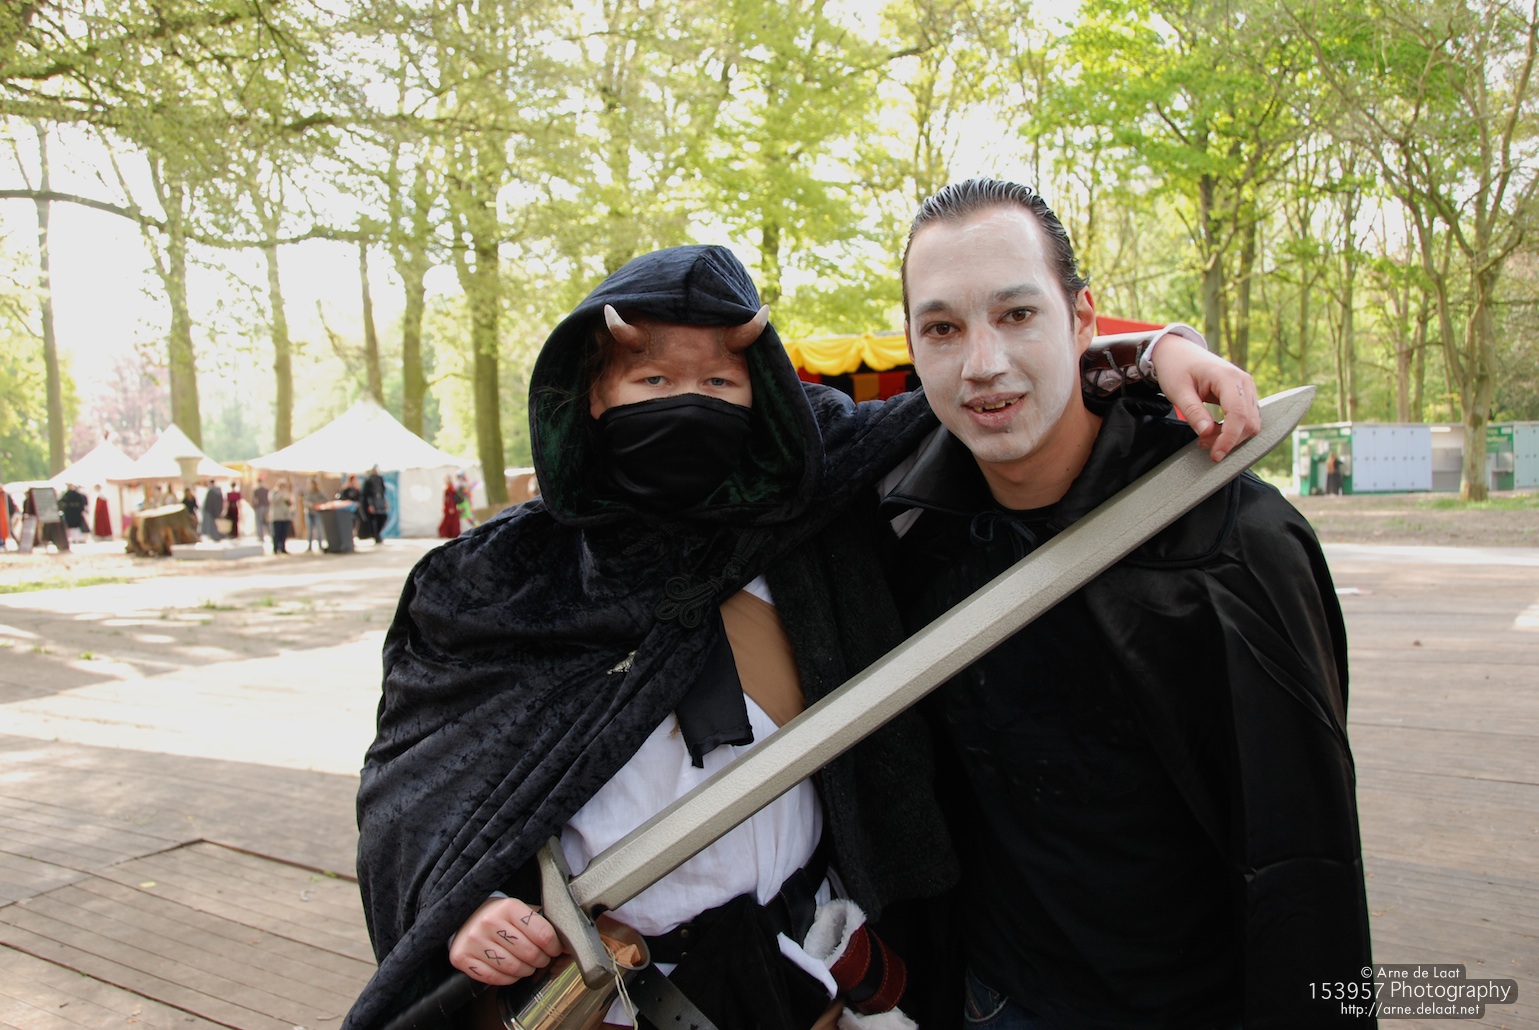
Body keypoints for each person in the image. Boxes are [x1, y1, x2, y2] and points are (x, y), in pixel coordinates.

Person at [347, 244, 1258, 1030]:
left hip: (805, 970)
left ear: (761, 396)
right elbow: (412, 794)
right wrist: (465, 905)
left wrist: (1157, 354)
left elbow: (981, 398)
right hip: (614, 989)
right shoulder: (495, 581)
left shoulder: (817, 506)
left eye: (719, 381)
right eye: (653, 380)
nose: (689, 401)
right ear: (593, 393)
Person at [883, 179, 1372, 1029]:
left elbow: (1304, 850)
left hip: (1199, 1003)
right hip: (996, 997)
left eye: (1017, 314)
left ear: (1081, 319)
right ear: (912, 345)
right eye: (942, 329)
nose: (981, 363)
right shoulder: (906, 528)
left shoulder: (1235, 540)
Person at [361, 465, 388, 544]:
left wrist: (384, 501)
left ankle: (378, 534)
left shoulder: (380, 479)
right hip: (373, 501)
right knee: (374, 520)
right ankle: (376, 536)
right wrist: (370, 504)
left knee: (383, 517)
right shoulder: (368, 480)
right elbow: (366, 494)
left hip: (380, 501)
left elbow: (382, 492)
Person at [269, 479, 295, 555]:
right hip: (277, 516)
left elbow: (290, 503)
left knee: (284, 533)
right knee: (276, 533)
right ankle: (276, 548)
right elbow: (273, 501)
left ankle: (283, 548)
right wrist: (281, 494)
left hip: (285, 516)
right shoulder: (273, 493)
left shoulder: (287, 493)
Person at [303, 477, 328, 553]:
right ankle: (309, 546)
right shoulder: (308, 493)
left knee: (319, 530)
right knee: (310, 531)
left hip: (317, 513)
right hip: (309, 513)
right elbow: (304, 501)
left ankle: (320, 545)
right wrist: (309, 504)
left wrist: (316, 504)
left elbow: (325, 499)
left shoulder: (319, 493)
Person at [437, 474, 460, 538]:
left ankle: (452, 533)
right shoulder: (447, 486)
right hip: (448, 505)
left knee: (452, 520)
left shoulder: (451, 487)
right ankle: (446, 533)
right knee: (447, 520)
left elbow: (451, 498)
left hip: (451, 506)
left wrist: (451, 507)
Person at [252, 475, 271, 544]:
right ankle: (271, 535)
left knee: (259, 522)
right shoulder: (266, 489)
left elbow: (254, 500)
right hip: (266, 506)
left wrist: (254, 506)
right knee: (266, 522)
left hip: (259, 507)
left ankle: (261, 536)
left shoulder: (256, 490)